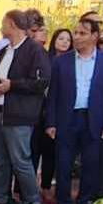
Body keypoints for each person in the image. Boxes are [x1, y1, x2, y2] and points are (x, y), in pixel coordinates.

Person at [47, 18, 103, 204]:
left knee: (91, 164)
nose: (77, 37)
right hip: (67, 118)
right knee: (63, 164)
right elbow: (53, 94)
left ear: (94, 36)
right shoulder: (62, 61)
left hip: (94, 118)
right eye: (76, 33)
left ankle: (83, 202)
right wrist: (51, 122)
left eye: (82, 33)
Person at [0, 10, 50, 204]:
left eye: (3, 23)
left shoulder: (34, 51)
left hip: (19, 115)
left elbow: (41, 82)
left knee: (21, 160)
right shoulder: (3, 51)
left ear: (12, 25)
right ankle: (1, 202)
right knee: (0, 161)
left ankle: (32, 203)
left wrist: (12, 85)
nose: (0, 27)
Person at [34, 28, 73, 190]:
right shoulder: (45, 59)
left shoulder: (73, 63)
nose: (64, 42)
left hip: (61, 113)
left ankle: (46, 187)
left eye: (68, 40)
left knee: (51, 152)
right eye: (61, 38)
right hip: (40, 111)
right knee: (34, 150)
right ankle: (25, 189)